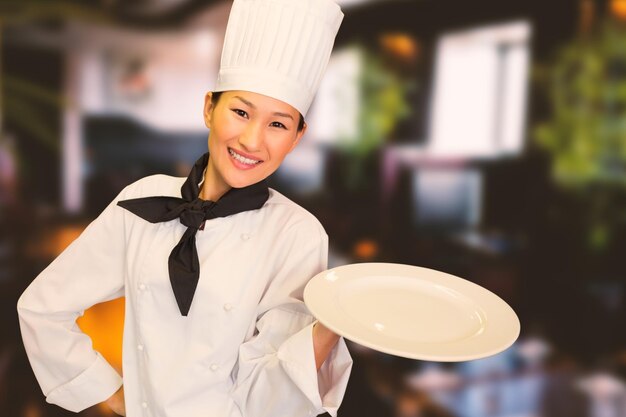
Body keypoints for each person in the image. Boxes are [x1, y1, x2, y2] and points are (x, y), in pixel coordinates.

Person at [16, 0, 353, 416]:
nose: (252, 140)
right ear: (209, 107)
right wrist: (111, 394)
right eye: (241, 111)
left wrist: (335, 325)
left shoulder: (298, 235)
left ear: (298, 136)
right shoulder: (143, 201)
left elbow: (271, 401)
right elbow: (42, 307)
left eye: (278, 124)